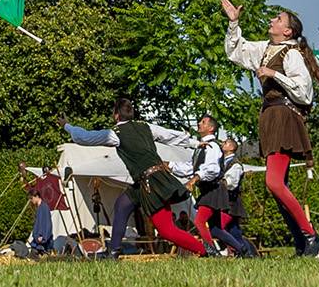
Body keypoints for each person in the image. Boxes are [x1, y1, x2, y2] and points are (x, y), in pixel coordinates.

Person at [222, 0, 319, 256]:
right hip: (270, 116)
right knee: (280, 187)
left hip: (284, 115)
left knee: (273, 182)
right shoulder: (267, 48)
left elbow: (305, 93)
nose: (272, 20)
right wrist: (234, 23)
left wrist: (274, 75)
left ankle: (312, 236)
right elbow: (236, 52)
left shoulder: (291, 53)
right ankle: (302, 243)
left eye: (278, 19)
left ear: (288, 31)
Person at [64, 103, 219, 257]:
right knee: (122, 204)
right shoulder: (145, 126)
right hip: (146, 181)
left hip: (152, 183)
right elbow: (169, 135)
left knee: (166, 230)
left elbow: (84, 138)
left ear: (116, 115)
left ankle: (206, 250)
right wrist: (195, 142)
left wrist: (67, 126)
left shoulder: (116, 133)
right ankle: (114, 251)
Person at [189, 117, 252, 257]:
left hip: (214, 190)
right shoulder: (203, 146)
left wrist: (196, 178)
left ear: (211, 128)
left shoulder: (212, 147)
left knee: (200, 221)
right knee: (216, 229)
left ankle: (211, 252)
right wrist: (172, 166)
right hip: (211, 189)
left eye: (203, 122)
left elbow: (212, 170)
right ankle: (242, 250)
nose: (199, 123)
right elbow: (194, 167)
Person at [22, 164, 68, 256]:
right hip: (38, 242)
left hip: (42, 243)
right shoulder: (40, 207)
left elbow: (47, 224)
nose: (31, 201)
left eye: (31, 199)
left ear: (36, 196)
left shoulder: (44, 207)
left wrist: (42, 237)